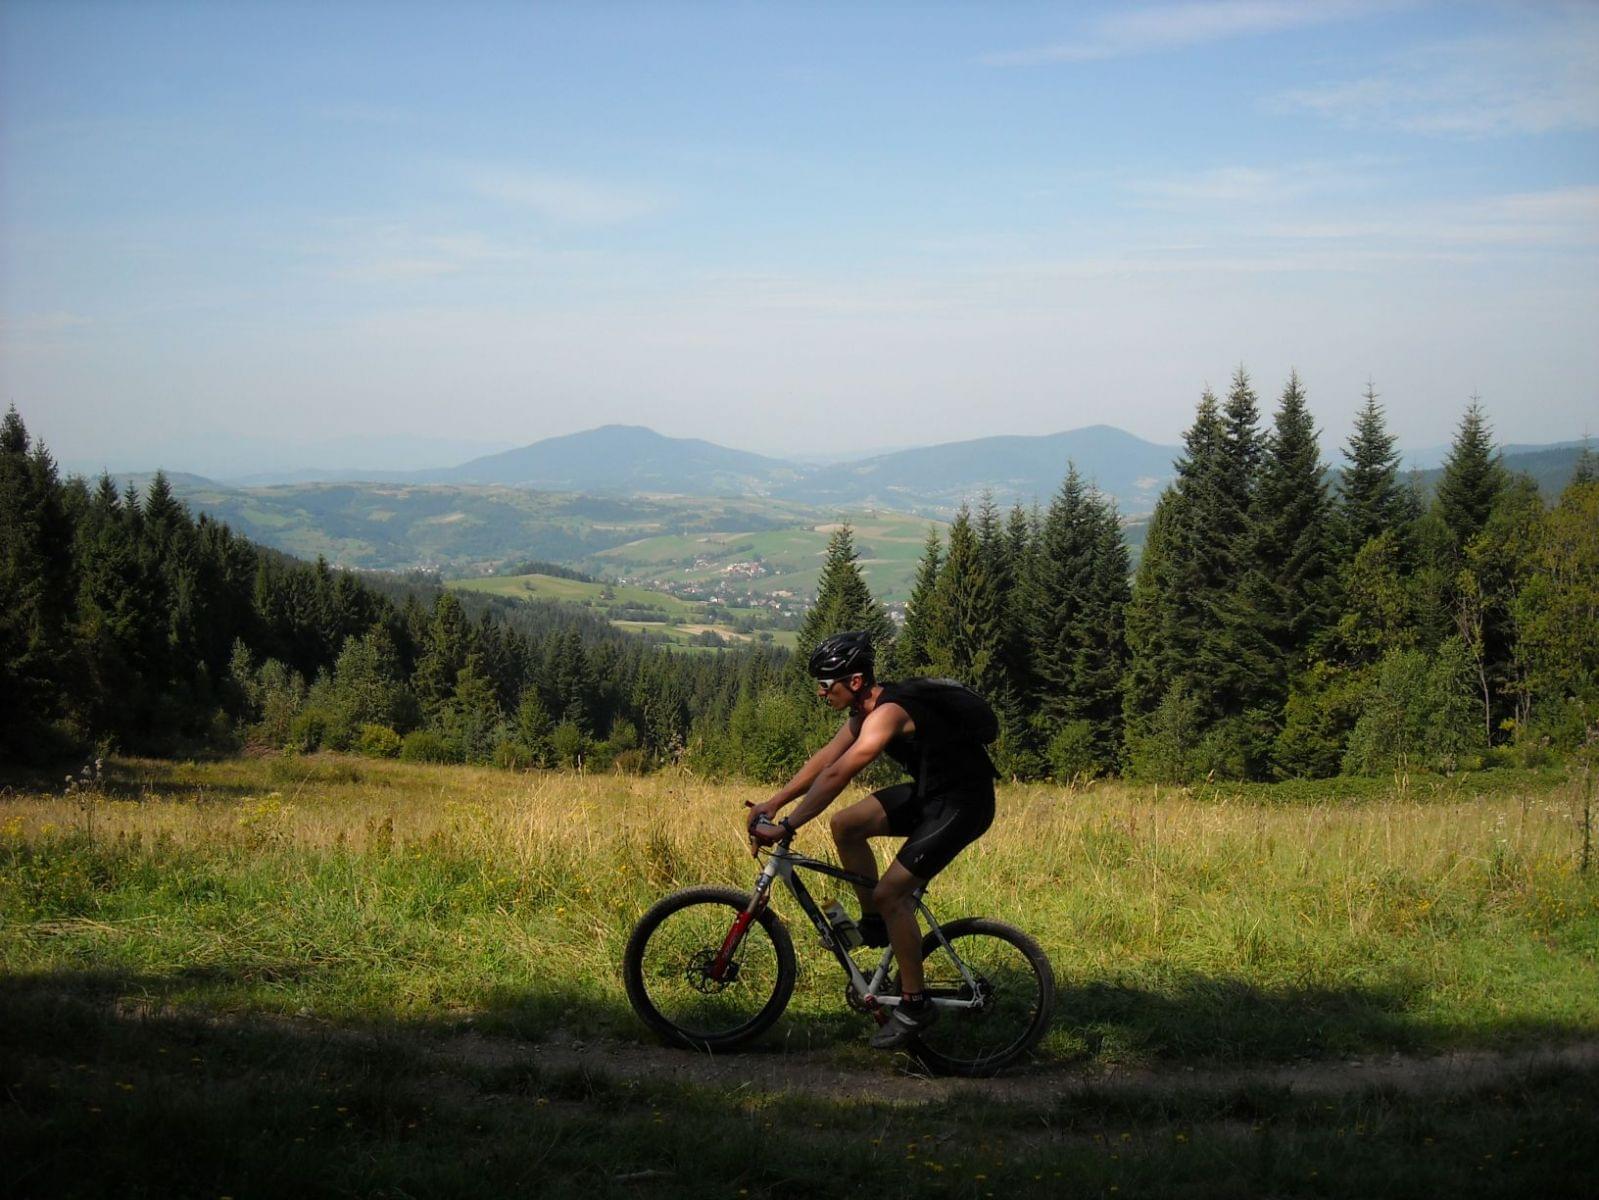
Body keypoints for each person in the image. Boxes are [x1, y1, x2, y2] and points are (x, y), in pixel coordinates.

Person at [746, 631, 997, 1049]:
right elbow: (825, 759)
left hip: (963, 804)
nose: (820, 692)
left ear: (856, 681)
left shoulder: (887, 714)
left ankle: (915, 1005)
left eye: (826, 684)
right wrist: (773, 802)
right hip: (932, 795)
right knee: (846, 825)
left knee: (891, 894)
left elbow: (839, 774)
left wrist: (786, 826)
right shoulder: (863, 713)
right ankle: (876, 925)